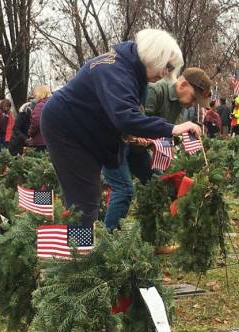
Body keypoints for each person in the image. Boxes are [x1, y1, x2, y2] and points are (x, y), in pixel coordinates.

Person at [41, 28, 201, 226]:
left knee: (92, 197)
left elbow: (126, 116)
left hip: (93, 133)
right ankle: (76, 254)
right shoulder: (115, 70)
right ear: (155, 55)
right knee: (84, 201)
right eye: (168, 67)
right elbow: (125, 117)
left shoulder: (134, 73)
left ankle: (88, 247)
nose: (166, 74)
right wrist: (171, 128)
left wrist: (135, 135)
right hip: (68, 130)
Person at [102, 67, 211, 230]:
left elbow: (167, 132)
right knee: (124, 189)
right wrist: (143, 137)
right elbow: (136, 122)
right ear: (182, 85)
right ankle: (110, 245)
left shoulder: (180, 104)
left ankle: (153, 236)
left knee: (158, 183)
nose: (192, 105)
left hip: (136, 150)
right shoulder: (154, 91)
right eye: (194, 98)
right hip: (113, 143)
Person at [27, 85, 52, 151]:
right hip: (52, 139)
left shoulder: (40, 105)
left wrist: (30, 133)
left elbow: (36, 123)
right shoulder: (52, 103)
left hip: (41, 140)